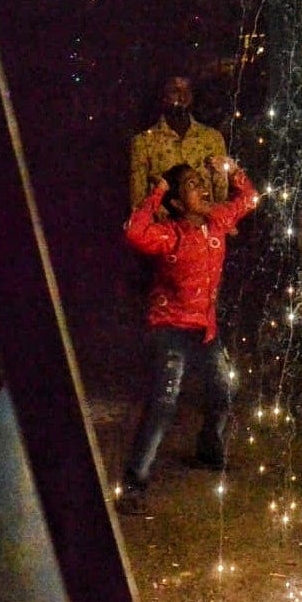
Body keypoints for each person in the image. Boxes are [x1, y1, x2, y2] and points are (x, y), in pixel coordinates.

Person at [117, 159, 259, 515]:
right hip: (170, 330)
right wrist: (158, 192)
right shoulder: (170, 235)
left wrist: (229, 169)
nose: (204, 188)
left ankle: (209, 452)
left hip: (205, 330)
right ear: (178, 203)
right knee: (164, 402)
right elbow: (134, 232)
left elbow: (251, 197)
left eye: (202, 181)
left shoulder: (218, 222)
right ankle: (134, 482)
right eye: (194, 185)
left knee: (224, 388)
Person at [129, 75, 228, 211]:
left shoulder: (212, 138)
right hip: (163, 228)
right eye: (175, 91)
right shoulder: (144, 142)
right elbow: (138, 201)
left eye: (187, 91)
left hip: (203, 228)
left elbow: (221, 192)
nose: (182, 98)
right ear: (163, 95)